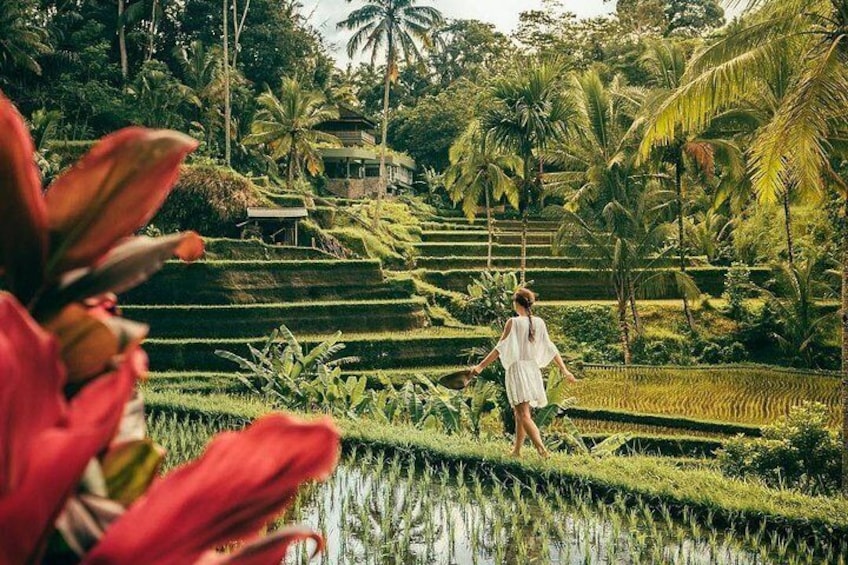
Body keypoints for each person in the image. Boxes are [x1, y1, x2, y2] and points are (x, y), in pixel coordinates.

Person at [470, 288, 576, 458]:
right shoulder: (539, 322)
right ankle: (517, 450)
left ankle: (542, 451)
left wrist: (480, 367)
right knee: (519, 413)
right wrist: (564, 369)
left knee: (523, 414)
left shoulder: (512, 322)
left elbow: (499, 349)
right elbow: (551, 348)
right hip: (532, 370)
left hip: (518, 370)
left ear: (516, 303)